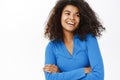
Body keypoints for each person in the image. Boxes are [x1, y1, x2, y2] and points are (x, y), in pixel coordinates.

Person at [43, 0, 105, 80]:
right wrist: (82, 71)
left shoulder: (89, 39)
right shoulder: (51, 47)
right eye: (67, 13)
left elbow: (98, 76)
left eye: (77, 15)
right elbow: (50, 78)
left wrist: (61, 74)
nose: (72, 18)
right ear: (59, 16)